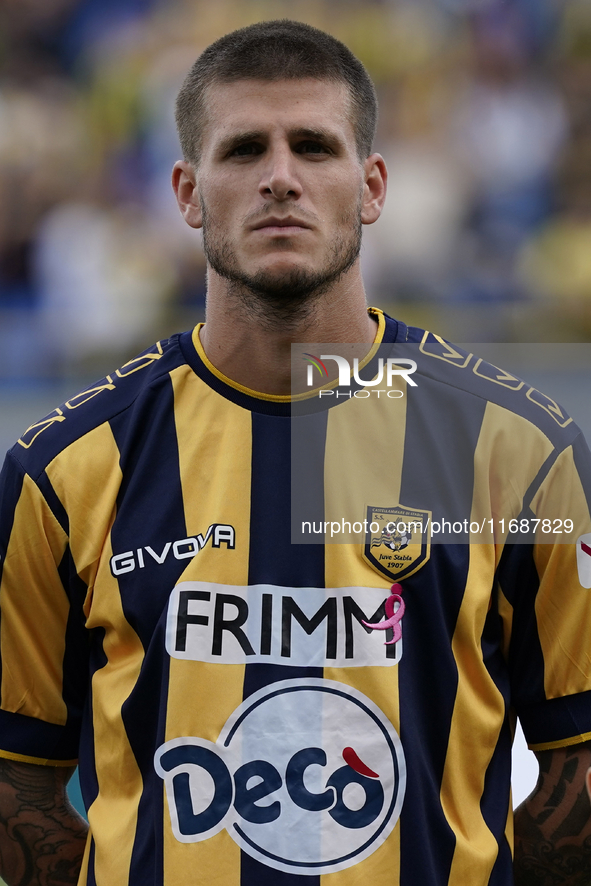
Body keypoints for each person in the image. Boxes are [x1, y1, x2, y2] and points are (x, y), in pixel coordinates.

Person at [1, 19, 591, 886]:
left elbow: (574, 770)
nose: (281, 178)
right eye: (243, 151)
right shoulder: (66, 470)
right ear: (188, 192)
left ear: (371, 185)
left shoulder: (514, 454)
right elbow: (19, 780)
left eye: (314, 147)